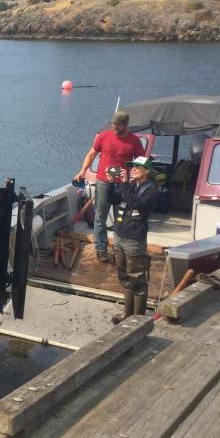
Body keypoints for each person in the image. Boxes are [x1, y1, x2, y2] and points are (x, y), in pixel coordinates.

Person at [74, 110, 142, 262]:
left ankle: (119, 248)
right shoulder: (104, 136)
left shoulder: (135, 141)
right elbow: (91, 154)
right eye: (114, 124)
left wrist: (137, 179)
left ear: (126, 125)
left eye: (118, 125)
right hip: (103, 182)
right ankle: (101, 249)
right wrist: (82, 170)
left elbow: (140, 162)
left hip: (122, 185)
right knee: (100, 216)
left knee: (121, 217)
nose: (115, 127)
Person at [110, 156, 159, 323]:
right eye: (133, 166)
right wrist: (112, 182)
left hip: (134, 239)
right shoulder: (131, 185)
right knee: (124, 275)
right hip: (120, 235)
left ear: (147, 171)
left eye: (138, 167)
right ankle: (127, 314)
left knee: (137, 279)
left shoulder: (151, 190)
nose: (134, 169)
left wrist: (124, 184)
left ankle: (137, 320)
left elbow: (135, 205)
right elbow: (113, 199)